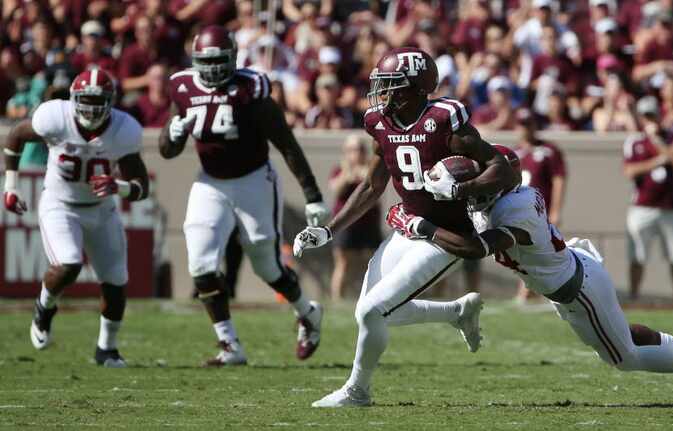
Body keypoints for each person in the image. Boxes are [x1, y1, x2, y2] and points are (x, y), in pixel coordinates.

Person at [401, 144, 673, 398]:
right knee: (620, 334)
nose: (476, 190)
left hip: (578, 289)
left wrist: (418, 226)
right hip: (571, 281)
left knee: (623, 359)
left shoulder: (515, 208)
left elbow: (474, 248)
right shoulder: (499, 200)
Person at [293, 47, 515, 407]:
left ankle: (357, 391)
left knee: (371, 312)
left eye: (392, 85)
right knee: (371, 312)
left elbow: (499, 166)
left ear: (416, 87)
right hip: (407, 227)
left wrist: (463, 188)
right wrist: (329, 229)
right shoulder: (379, 121)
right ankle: (457, 312)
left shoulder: (444, 120)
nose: (383, 93)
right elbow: (372, 185)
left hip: (444, 235)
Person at [159, 26, 329, 366]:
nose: (211, 69)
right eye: (204, 62)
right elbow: (166, 150)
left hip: (254, 180)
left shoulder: (250, 89)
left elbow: (286, 143)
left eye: (218, 61)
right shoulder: (183, 87)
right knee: (201, 264)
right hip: (210, 183)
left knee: (267, 266)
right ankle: (229, 344)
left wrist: (312, 195)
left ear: (233, 59)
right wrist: (172, 134)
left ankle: (308, 312)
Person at [3, 69, 150, 367]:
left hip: (102, 210)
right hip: (60, 205)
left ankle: (106, 349)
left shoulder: (124, 130)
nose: (93, 108)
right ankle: (45, 307)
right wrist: (11, 186)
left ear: (111, 102)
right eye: (87, 101)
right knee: (69, 263)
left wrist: (118, 187)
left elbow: (141, 187)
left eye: (99, 101)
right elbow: (17, 135)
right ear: (73, 99)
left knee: (115, 280)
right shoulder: (54, 117)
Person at [623, 96, 673, 301]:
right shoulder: (634, 141)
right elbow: (630, 171)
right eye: (646, 116)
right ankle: (634, 295)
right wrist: (658, 160)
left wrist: (657, 141)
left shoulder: (672, 135)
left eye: (653, 115)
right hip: (642, 206)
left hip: (670, 206)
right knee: (637, 256)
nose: (650, 120)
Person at [513, 108, 567, 302]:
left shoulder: (549, 151)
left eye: (528, 124)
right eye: (522, 124)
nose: (525, 129)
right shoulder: (515, 152)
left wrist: (555, 210)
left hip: (540, 210)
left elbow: (559, 179)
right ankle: (530, 291)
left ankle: (527, 292)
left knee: (539, 250)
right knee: (525, 251)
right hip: (519, 211)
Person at [329, 135, 382, 301]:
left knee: (374, 263)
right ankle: (337, 300)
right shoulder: (339, 170)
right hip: (345, 225)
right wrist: (347, 175)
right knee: (342, 263)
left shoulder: (371, 170)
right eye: (351, 150)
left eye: (359, 149)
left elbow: (376, 193)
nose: (356, 153)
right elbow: (335, 190)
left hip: (368, 223)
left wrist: (364, 174)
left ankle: (374, 299)